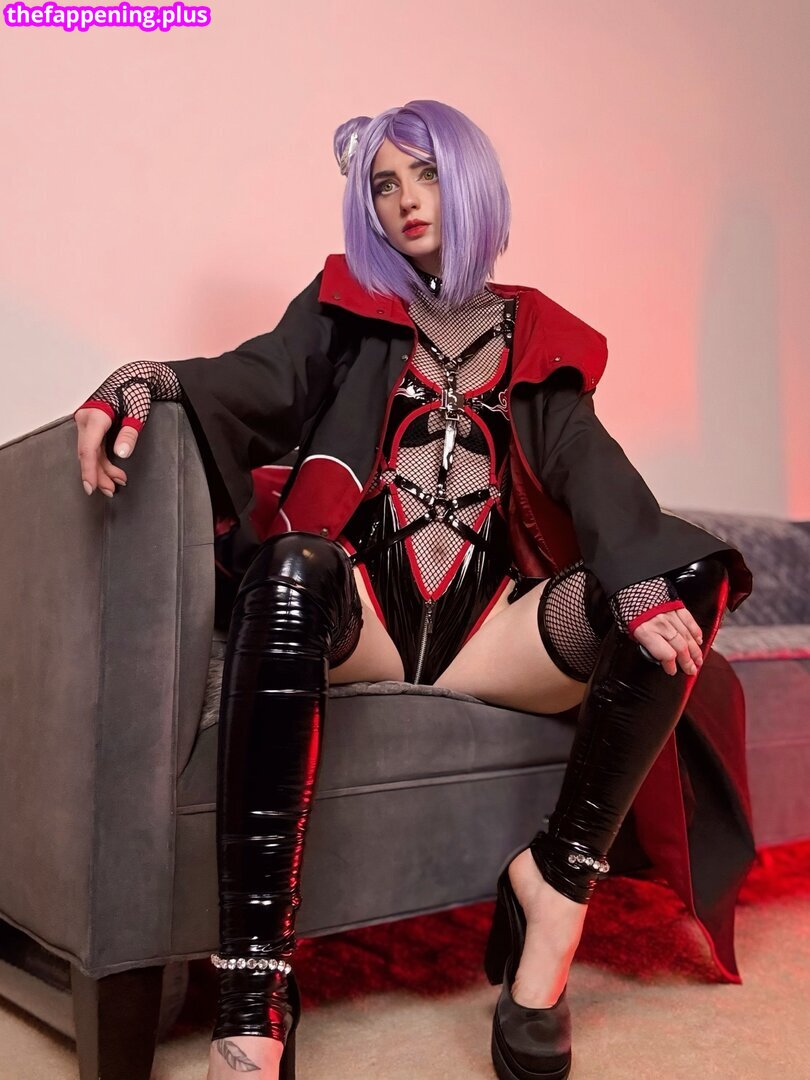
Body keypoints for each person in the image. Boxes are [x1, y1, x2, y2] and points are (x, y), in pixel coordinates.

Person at [73, 100, 753, 1080]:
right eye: (383, 184)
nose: (404, 200)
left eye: (425, 175)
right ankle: (255, 988)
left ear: (470, 183)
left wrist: (639, 582)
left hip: (493, 634)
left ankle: (556, 890)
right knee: (289, 568)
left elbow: (590, 468)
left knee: (683, 572)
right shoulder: (345, 308)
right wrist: (147, 378)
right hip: (373, 619)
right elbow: (255, 379)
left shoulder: (535, 329)